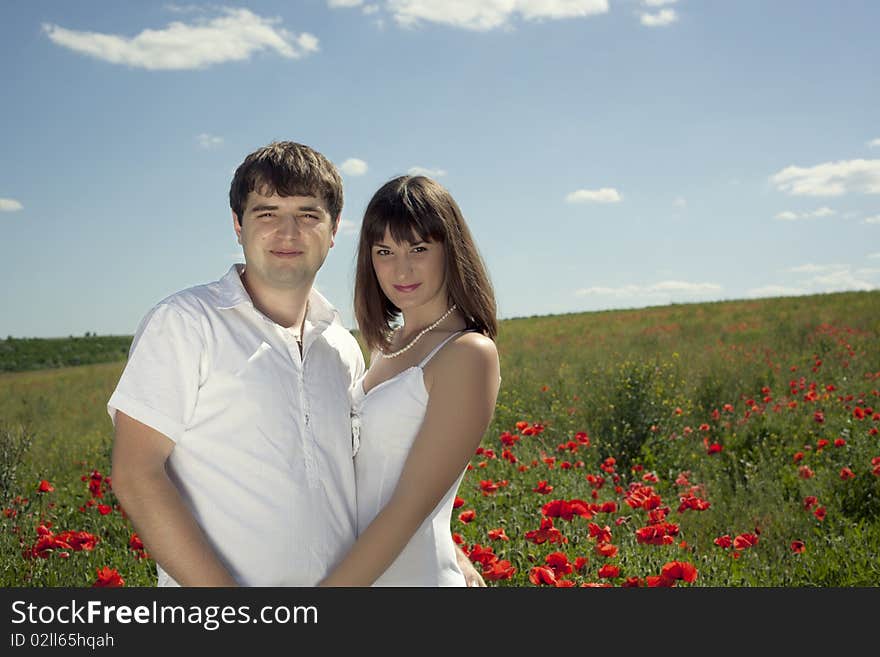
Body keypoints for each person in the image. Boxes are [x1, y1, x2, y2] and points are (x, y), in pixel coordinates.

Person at [107, 141, 483, 586]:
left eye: (307, 215)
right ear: (237, 224)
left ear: (335, 227)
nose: (288, 233)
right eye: (267, 214)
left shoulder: (341, 348)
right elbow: (135, 474)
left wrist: (441, 544)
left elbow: (374, 472)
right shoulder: (186, 323)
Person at [318, 175, 500, 586]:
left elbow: (409, 507)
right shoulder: (386, 346)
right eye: (385, 251)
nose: (401, 268)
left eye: (418, 248)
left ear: (450, 249)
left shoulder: (467, 353)